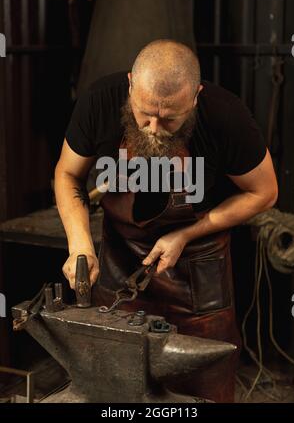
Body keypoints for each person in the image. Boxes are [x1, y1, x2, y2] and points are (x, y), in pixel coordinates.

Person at [54, 39, 278, 402]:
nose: (154, 127)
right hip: (119, 265)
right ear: (130, 84)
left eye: (170, 118)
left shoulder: (225, 115)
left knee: (202, 391)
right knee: (118, 390)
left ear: (195, 97)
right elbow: (67, 174)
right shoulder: (99, 101)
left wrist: (188, 234)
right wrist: (79, 243)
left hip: (198, 274)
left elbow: (264, 192)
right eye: (144, 114)